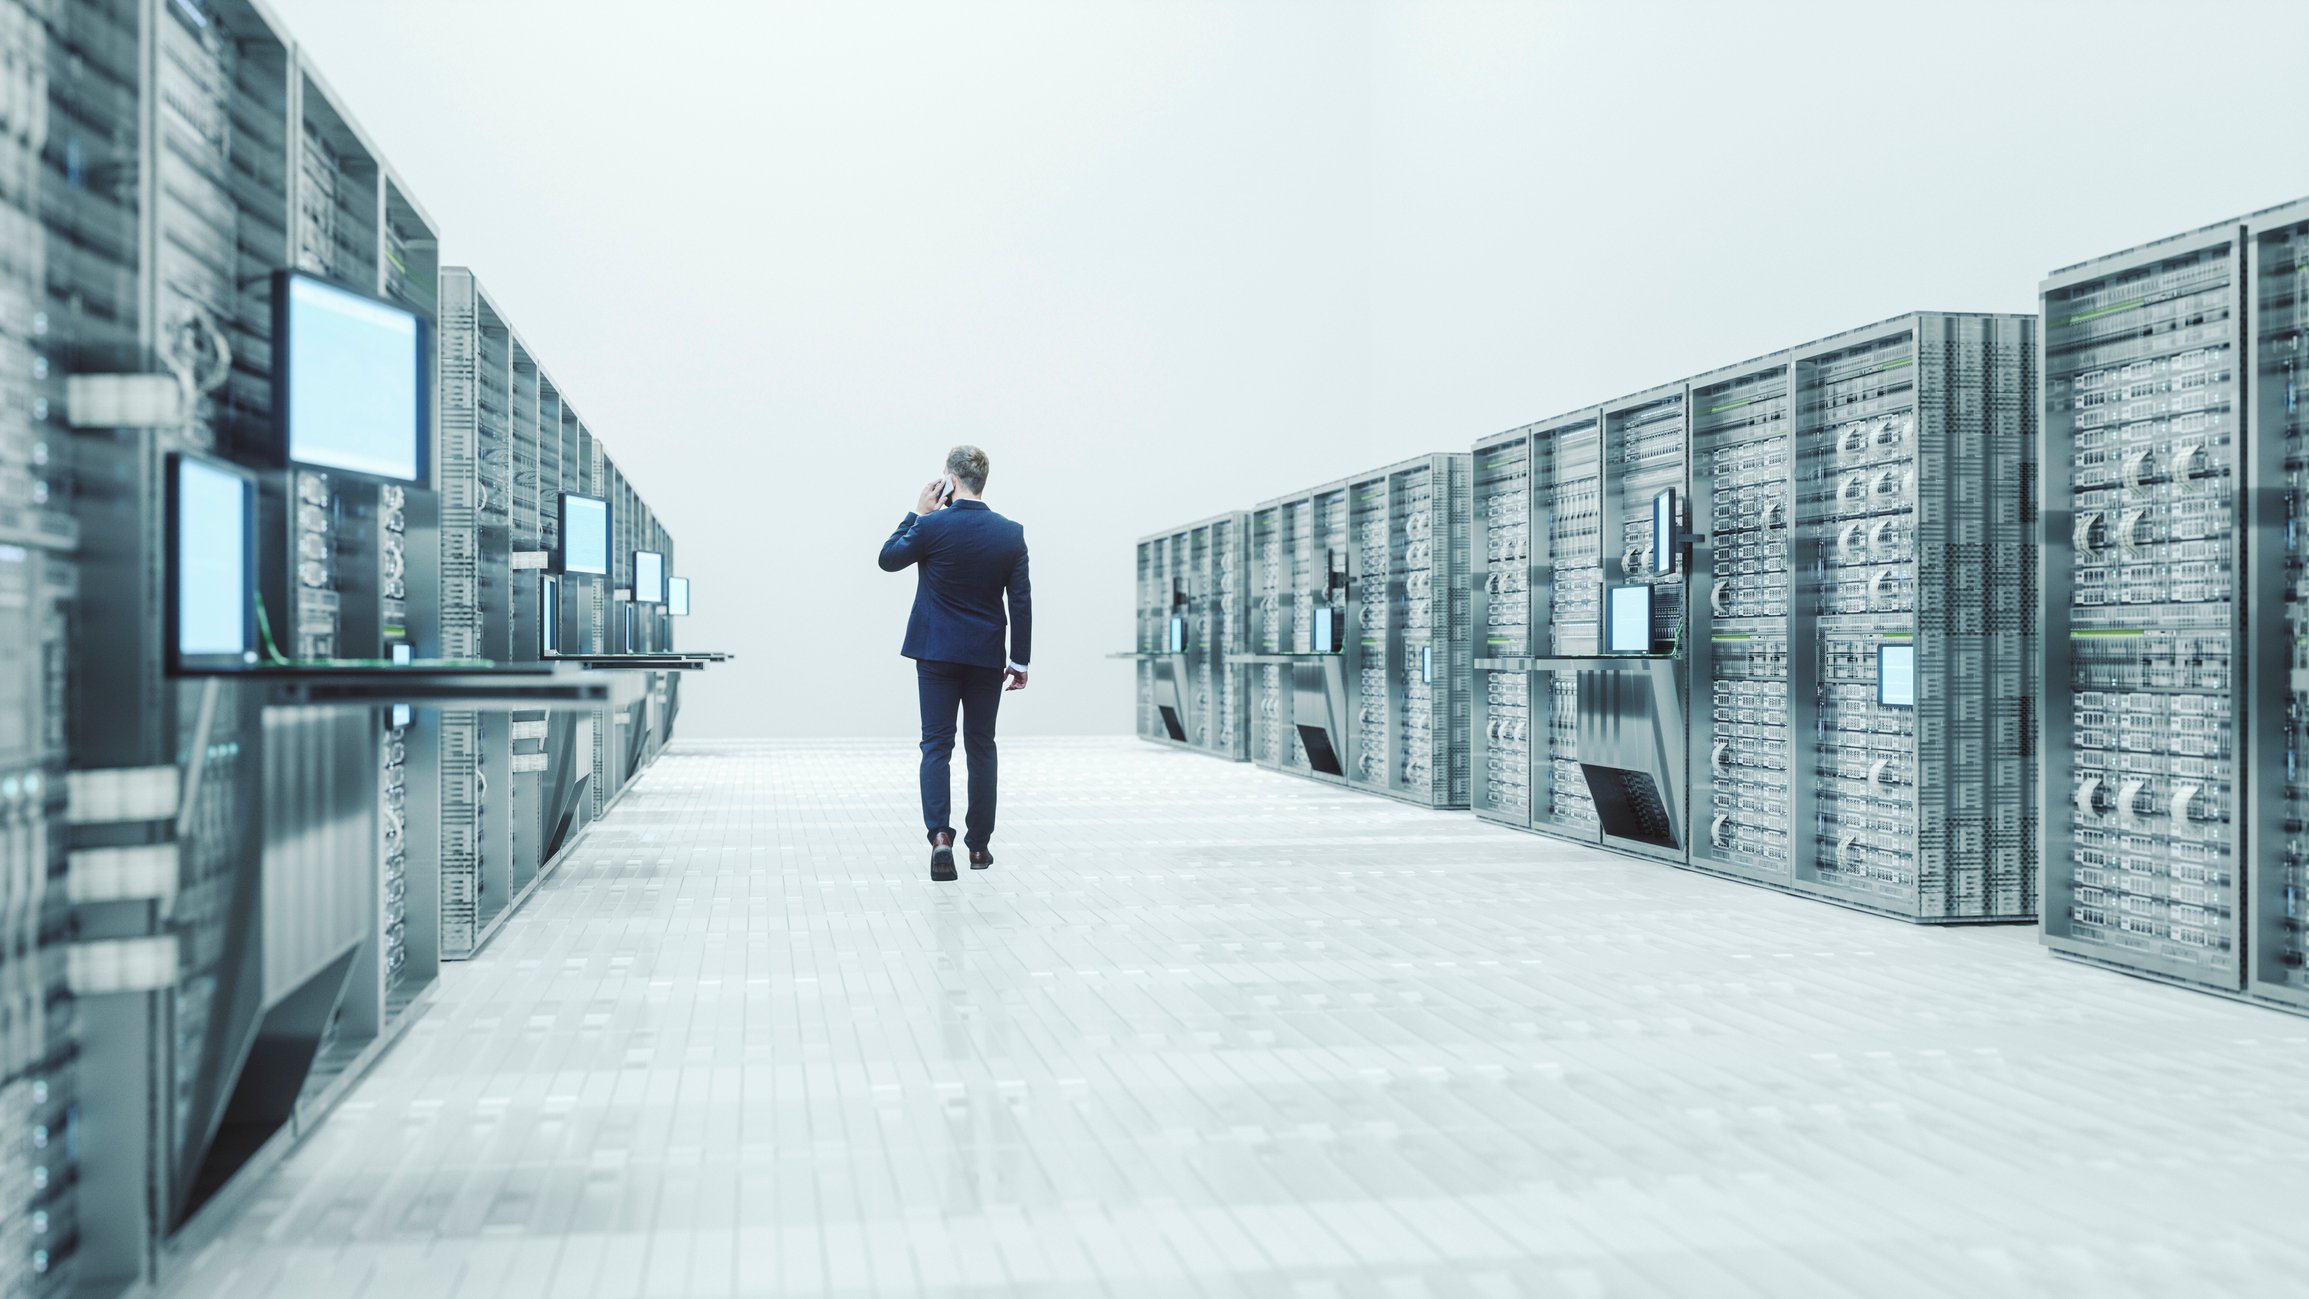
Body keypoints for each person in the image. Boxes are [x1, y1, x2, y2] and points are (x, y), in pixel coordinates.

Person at [876, 445, 1031, 881]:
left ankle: (940, 838)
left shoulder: (932, 527)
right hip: (985, 657)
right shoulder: (1010, 534)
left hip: (936, 654)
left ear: (951, 481)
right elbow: (1021, 603)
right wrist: (1020, 660)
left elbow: (888, 559)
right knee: (982, 747)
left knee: (936, 745)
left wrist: (918, 514)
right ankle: (978, 847)